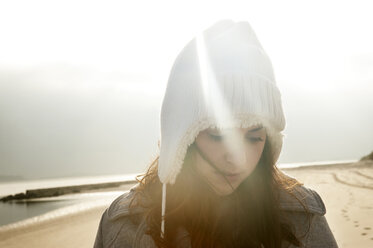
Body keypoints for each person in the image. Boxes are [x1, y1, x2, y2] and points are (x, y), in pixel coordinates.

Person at [94, 20, 338, 248]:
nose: (238, 159)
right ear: (182, 138)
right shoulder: (124, 226)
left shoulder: (302, 217)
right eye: (219, 136)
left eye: (254, 138)